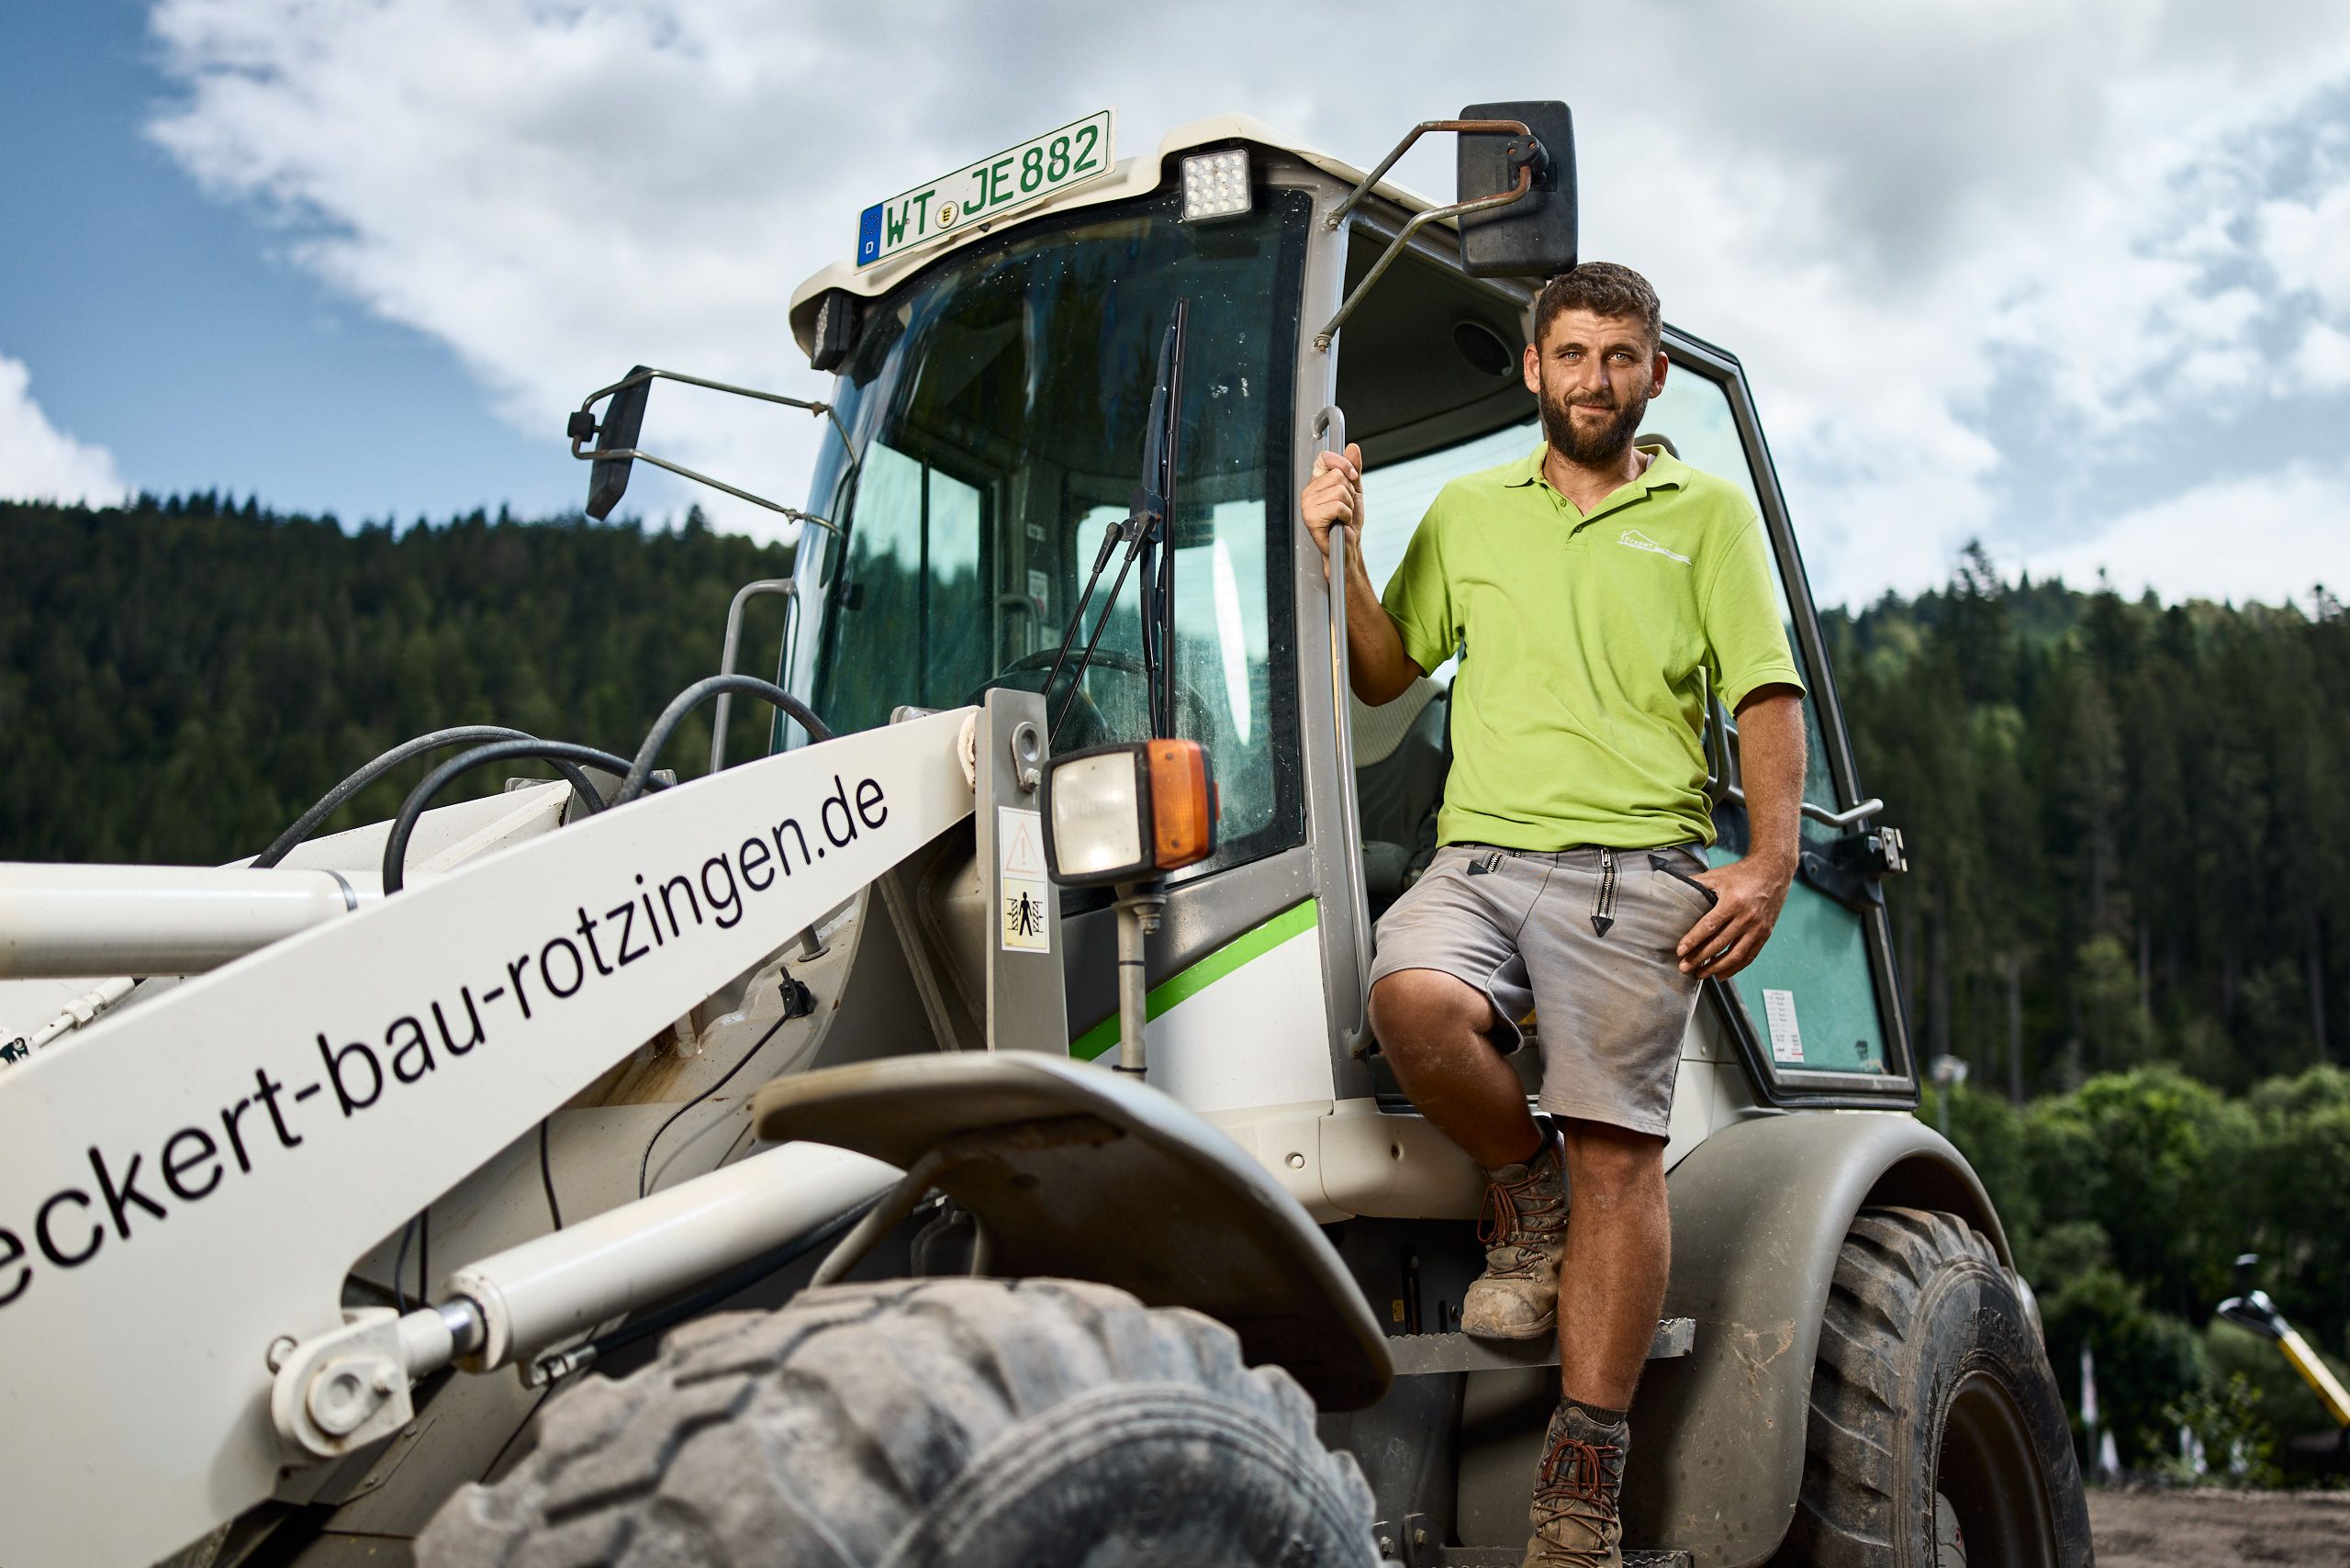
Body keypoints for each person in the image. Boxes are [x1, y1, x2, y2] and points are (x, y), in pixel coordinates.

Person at [1299, 262, 1807, 1568]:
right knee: (1406, 999)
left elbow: (1763, 695)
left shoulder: (1705, 517)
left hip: (1635, 870)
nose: (1594, 379)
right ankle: (1521, 1190)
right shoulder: (1470, 512)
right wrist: (1339, 546)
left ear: (1656, 373)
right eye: (1571, 355)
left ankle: (1580, 1482)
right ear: (1534, 371)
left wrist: (1763, 866)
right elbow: (1382, 668)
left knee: (1617, 1155)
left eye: (1619, 356)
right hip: (1477, 859)